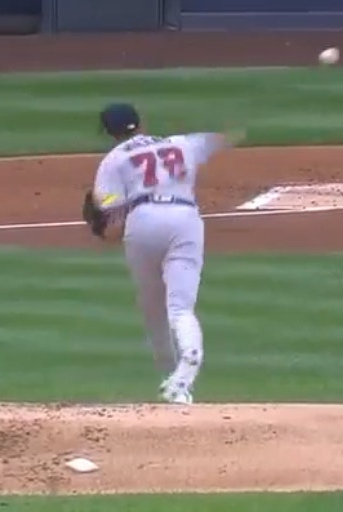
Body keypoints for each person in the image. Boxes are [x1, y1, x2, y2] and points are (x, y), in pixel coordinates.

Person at [83, 103, 237, 405]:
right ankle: (183, 377)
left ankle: (169, 377)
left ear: (109, 132)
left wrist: (105, 226)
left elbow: (109, 211)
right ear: (141, 123)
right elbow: (219, 139)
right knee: (180, 308)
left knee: (153, 309)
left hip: (142, 221)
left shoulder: (113, 160)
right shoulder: (180, 143)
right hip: (184, 218)